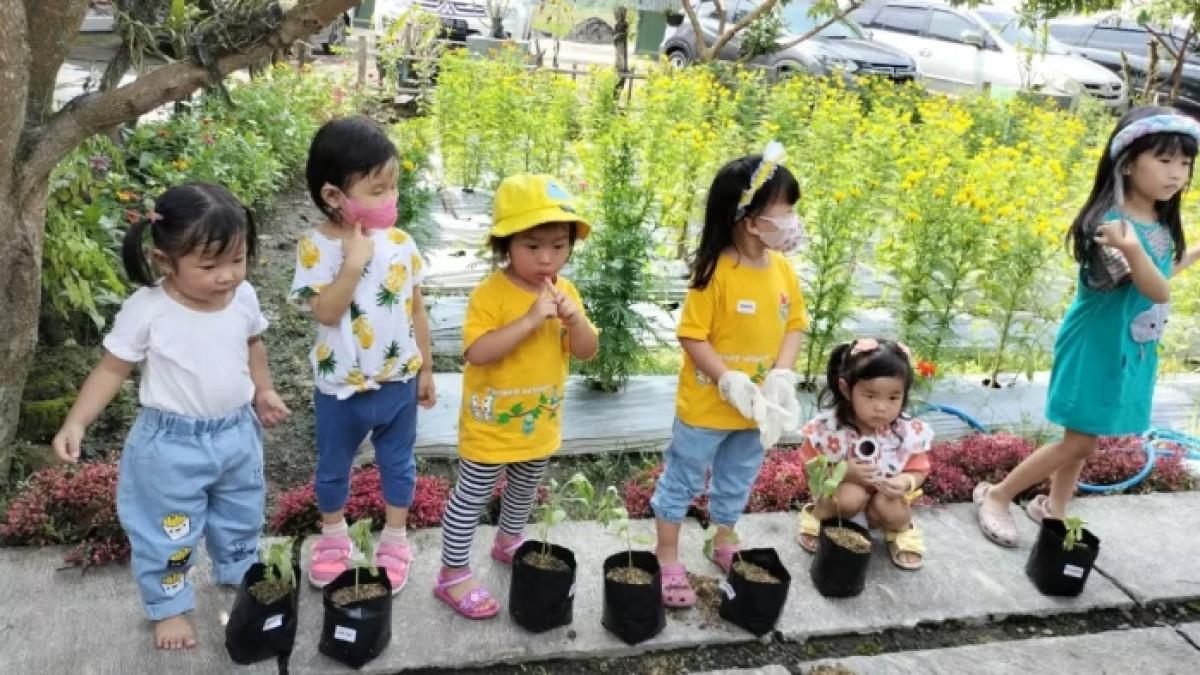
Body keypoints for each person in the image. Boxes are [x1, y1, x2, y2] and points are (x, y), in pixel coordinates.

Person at [52, 183, 290, 649]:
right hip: (170, 447)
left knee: (242, 514)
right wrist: (76, 421)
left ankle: (238, 569)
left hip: (237, 433)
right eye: (208, 266)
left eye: (237, 260)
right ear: (165, 261)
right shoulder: (149, 310)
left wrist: (264, 390)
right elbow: (111, 369)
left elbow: (252, 345)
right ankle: (170, 607)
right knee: (166, 530)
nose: (226, 276)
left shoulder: (243, 298)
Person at [976, 106, 1200, 546]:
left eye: (1186, 164)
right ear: (1129, 162)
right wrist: (1136, 253)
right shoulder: (1111, 226)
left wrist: (1185, 258)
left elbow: (1149, 279)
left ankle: (1054, 508)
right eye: (1165, 160)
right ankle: (998, 496)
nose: (1177, 174)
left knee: (1084, 434)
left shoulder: (1152, 220)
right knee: (1079, 441)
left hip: (1126, 348)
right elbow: (1156, 291)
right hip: (1094, 347)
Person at [650, 144, 808, 608]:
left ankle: (723, 538)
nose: (793, 221)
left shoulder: (781, 269)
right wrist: (727, 379)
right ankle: (666, 555)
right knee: (682, 477)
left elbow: (794, 323)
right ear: (749, 217)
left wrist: (781, 374)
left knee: (738, 476)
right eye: (786, 211)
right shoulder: (715, 273)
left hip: (757, 409)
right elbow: (692, 336)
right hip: (707, 408)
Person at [433, 174, 597, 619]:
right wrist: (528, 321)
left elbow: (586, 351)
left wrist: (576, 320)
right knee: (471, 496)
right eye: (533, 246)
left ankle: (508, 541)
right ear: (506, 244)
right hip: (491, 425)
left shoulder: (566, 292)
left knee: (525, 488)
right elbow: (476, 353)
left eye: (559, 246)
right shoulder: (491, 295)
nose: (548, 258)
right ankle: (452, 573)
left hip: (539, 420)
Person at [291, 117, 436, 591]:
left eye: (393, 186)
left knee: (398, 463)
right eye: (377, 190)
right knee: (333, 466)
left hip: (397, 381)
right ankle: (333, 538)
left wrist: (427, 370)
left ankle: (395, 538)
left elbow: (416, 311)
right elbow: (327, 313)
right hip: (342, 391)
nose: (390, 199)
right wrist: (352, 266)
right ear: (334, 196)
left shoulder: (402, 244)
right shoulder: (315, 248)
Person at [796, 339, 932, 570]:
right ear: (846, 389)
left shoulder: (906, 432)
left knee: (890, 505)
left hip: (882, 502)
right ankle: (819, 516)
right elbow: (809, 464)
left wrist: (904, 482)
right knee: (850, 495)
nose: (882, 407)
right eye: (870, 396)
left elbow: (919, 468)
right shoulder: (830, 428)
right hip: (842, 498)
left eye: (893, 397)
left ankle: (900, 530)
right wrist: (843, 471)